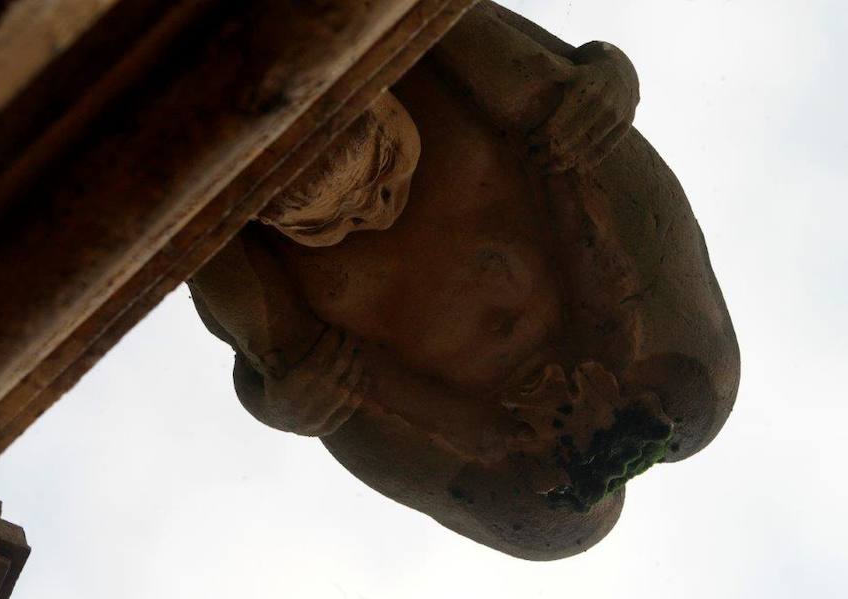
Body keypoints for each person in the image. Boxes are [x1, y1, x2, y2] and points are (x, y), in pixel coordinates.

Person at [188, 2, 739, 560]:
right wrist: (604, 82)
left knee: (291, 349)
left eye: (550, 434)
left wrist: (280, 398)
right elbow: (584, 123)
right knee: (551, 110)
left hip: (247, 173)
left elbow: (275, 366)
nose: (375, 208)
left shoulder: (358, 369)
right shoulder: (633, 324)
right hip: (389, 77)